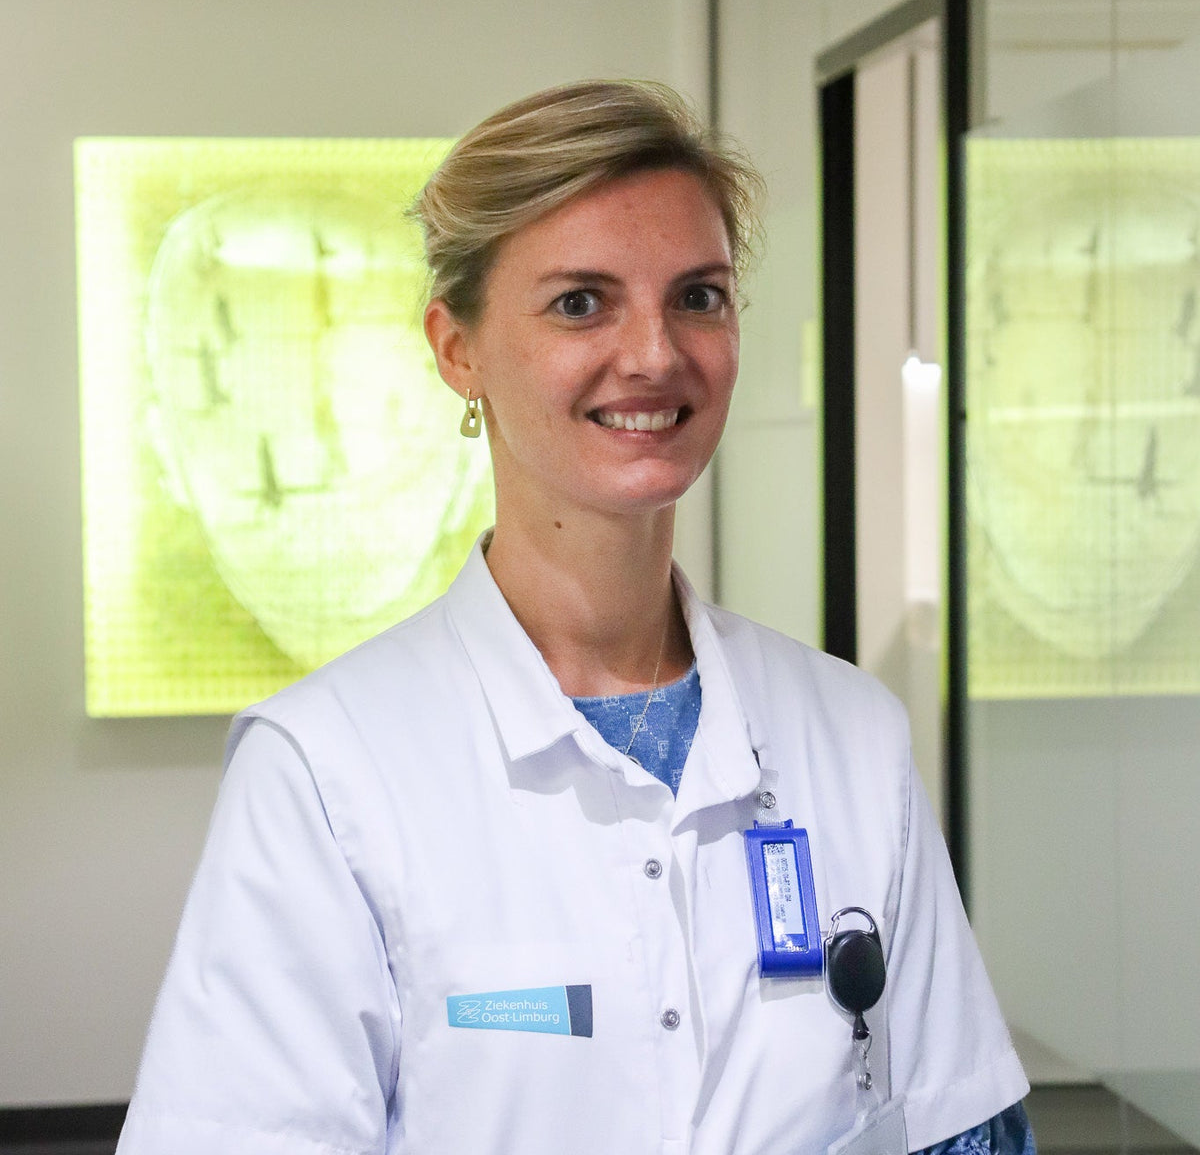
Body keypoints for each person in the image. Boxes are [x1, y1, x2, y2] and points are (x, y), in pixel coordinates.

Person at [116, 80, 1034, 1155]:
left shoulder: (851, 734)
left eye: (698, 296)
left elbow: (959, 1130)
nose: (654, 353)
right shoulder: (326, 771)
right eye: (581, 303)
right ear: (457, 349)